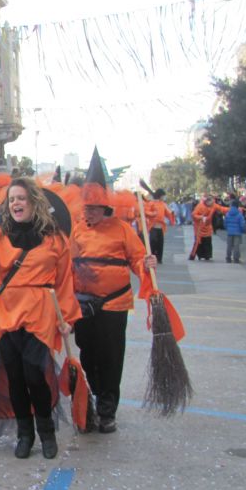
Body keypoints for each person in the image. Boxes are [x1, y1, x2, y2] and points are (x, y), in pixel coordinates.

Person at [0, 179, 80, 459]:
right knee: (14, 376)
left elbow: (63, 282)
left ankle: (46, 431)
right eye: (12, 200)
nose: (16, 204)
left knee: (36, 375)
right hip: (7, 313)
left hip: (40, 313)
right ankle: (25, 434)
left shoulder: (55, 239)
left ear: (34, 203)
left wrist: (67, 317)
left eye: (21, 198)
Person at [71, 149, 157, 433]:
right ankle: (93, 398)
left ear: (106, 208)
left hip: (113, 306)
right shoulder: (77, 230)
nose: (88, 212)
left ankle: (108, 410)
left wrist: (146, 265)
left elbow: (137, 261)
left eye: (93, 208)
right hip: (83, 305)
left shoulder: (122, 230)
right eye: (86, 208)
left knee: (110, 357)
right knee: (87, 354)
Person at [190, 194, 229, 261]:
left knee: (207, 242)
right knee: (198, 242)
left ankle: (207, 256)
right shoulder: (200, 206)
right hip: (199, 227)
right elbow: (193, 215)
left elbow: (222, 209)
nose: (211, 204)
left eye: (212, 203)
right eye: (210, 203)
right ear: (206, 201)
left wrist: (233, 209)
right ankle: (193, 256)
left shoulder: (213, 205)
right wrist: (201, 217)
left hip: (207, 227)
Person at [143, 188, 176, 263]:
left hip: (160, 227)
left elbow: (168, 213)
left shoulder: (163, 204)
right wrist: (153, 214)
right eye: (163, 196)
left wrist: (172, 215)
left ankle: (159, 258)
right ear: (160, 195)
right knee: (153, 243)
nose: (164, 197)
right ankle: (152, 258)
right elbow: (146, 212)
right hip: (153, 226)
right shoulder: (151, 203)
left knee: (160, 243)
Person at [223, 199, 246, 264]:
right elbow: (242, 224)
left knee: (229, 245)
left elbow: (225, 223)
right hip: (238, 232)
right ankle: (236, 259)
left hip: (230, 232)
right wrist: (243, 230)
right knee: (236, 246)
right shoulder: (239, 214)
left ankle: (228, 258)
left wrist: (227, 229)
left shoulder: (227, 214)